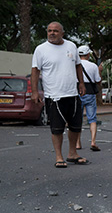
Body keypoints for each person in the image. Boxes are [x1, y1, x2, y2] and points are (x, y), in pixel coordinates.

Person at [31, 21, 89, 168]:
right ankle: (59, 157)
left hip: (72, 94)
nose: (52, 33)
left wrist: (81, 83)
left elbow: (77, 65)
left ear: (62, 33)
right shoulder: (41, 49)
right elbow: (35, 71)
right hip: (54, 96)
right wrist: (35, 91)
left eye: (55, 31)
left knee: (75, 126)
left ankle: (72, 154)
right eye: (49, 30)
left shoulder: (71, 46)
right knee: (57, 128)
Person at [76, 45, 102, 152]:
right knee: (92, 118)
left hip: (77, 92)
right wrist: (100, 71)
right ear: (88, 55)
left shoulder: (74, 65)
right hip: (90, 92)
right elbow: (98, 80)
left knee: (77, 119)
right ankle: (93, 141)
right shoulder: (93, 66)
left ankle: (77, 143)